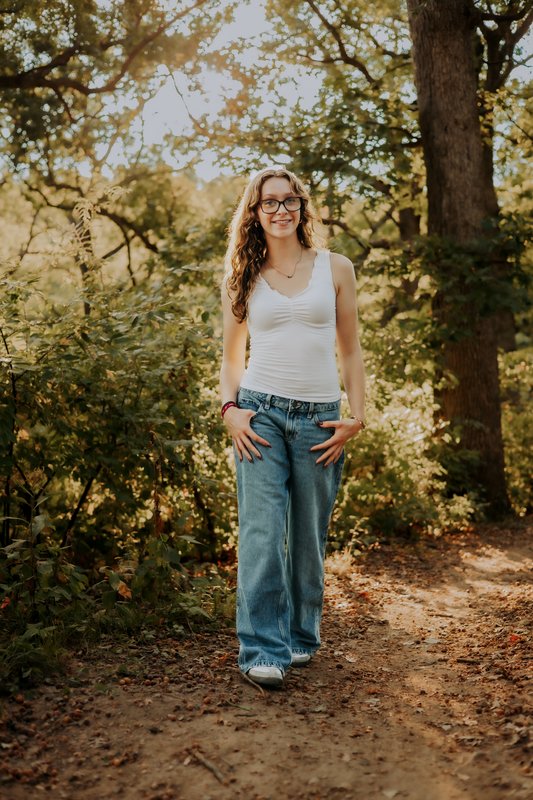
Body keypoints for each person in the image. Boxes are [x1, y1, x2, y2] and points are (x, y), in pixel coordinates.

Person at [219, 166, 365, 687]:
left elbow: (351, 350)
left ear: (302, 207)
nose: (280, 210)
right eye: (269, 202)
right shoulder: (242, 275)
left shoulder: (336, 268)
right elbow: (231, 358)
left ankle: (301, 634)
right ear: (255, 213)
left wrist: (357, 416)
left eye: (289, 200)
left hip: (320, 420)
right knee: (262, 534)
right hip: (258, 415)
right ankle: (262, 647)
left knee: (307, 536)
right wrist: (230, 410)